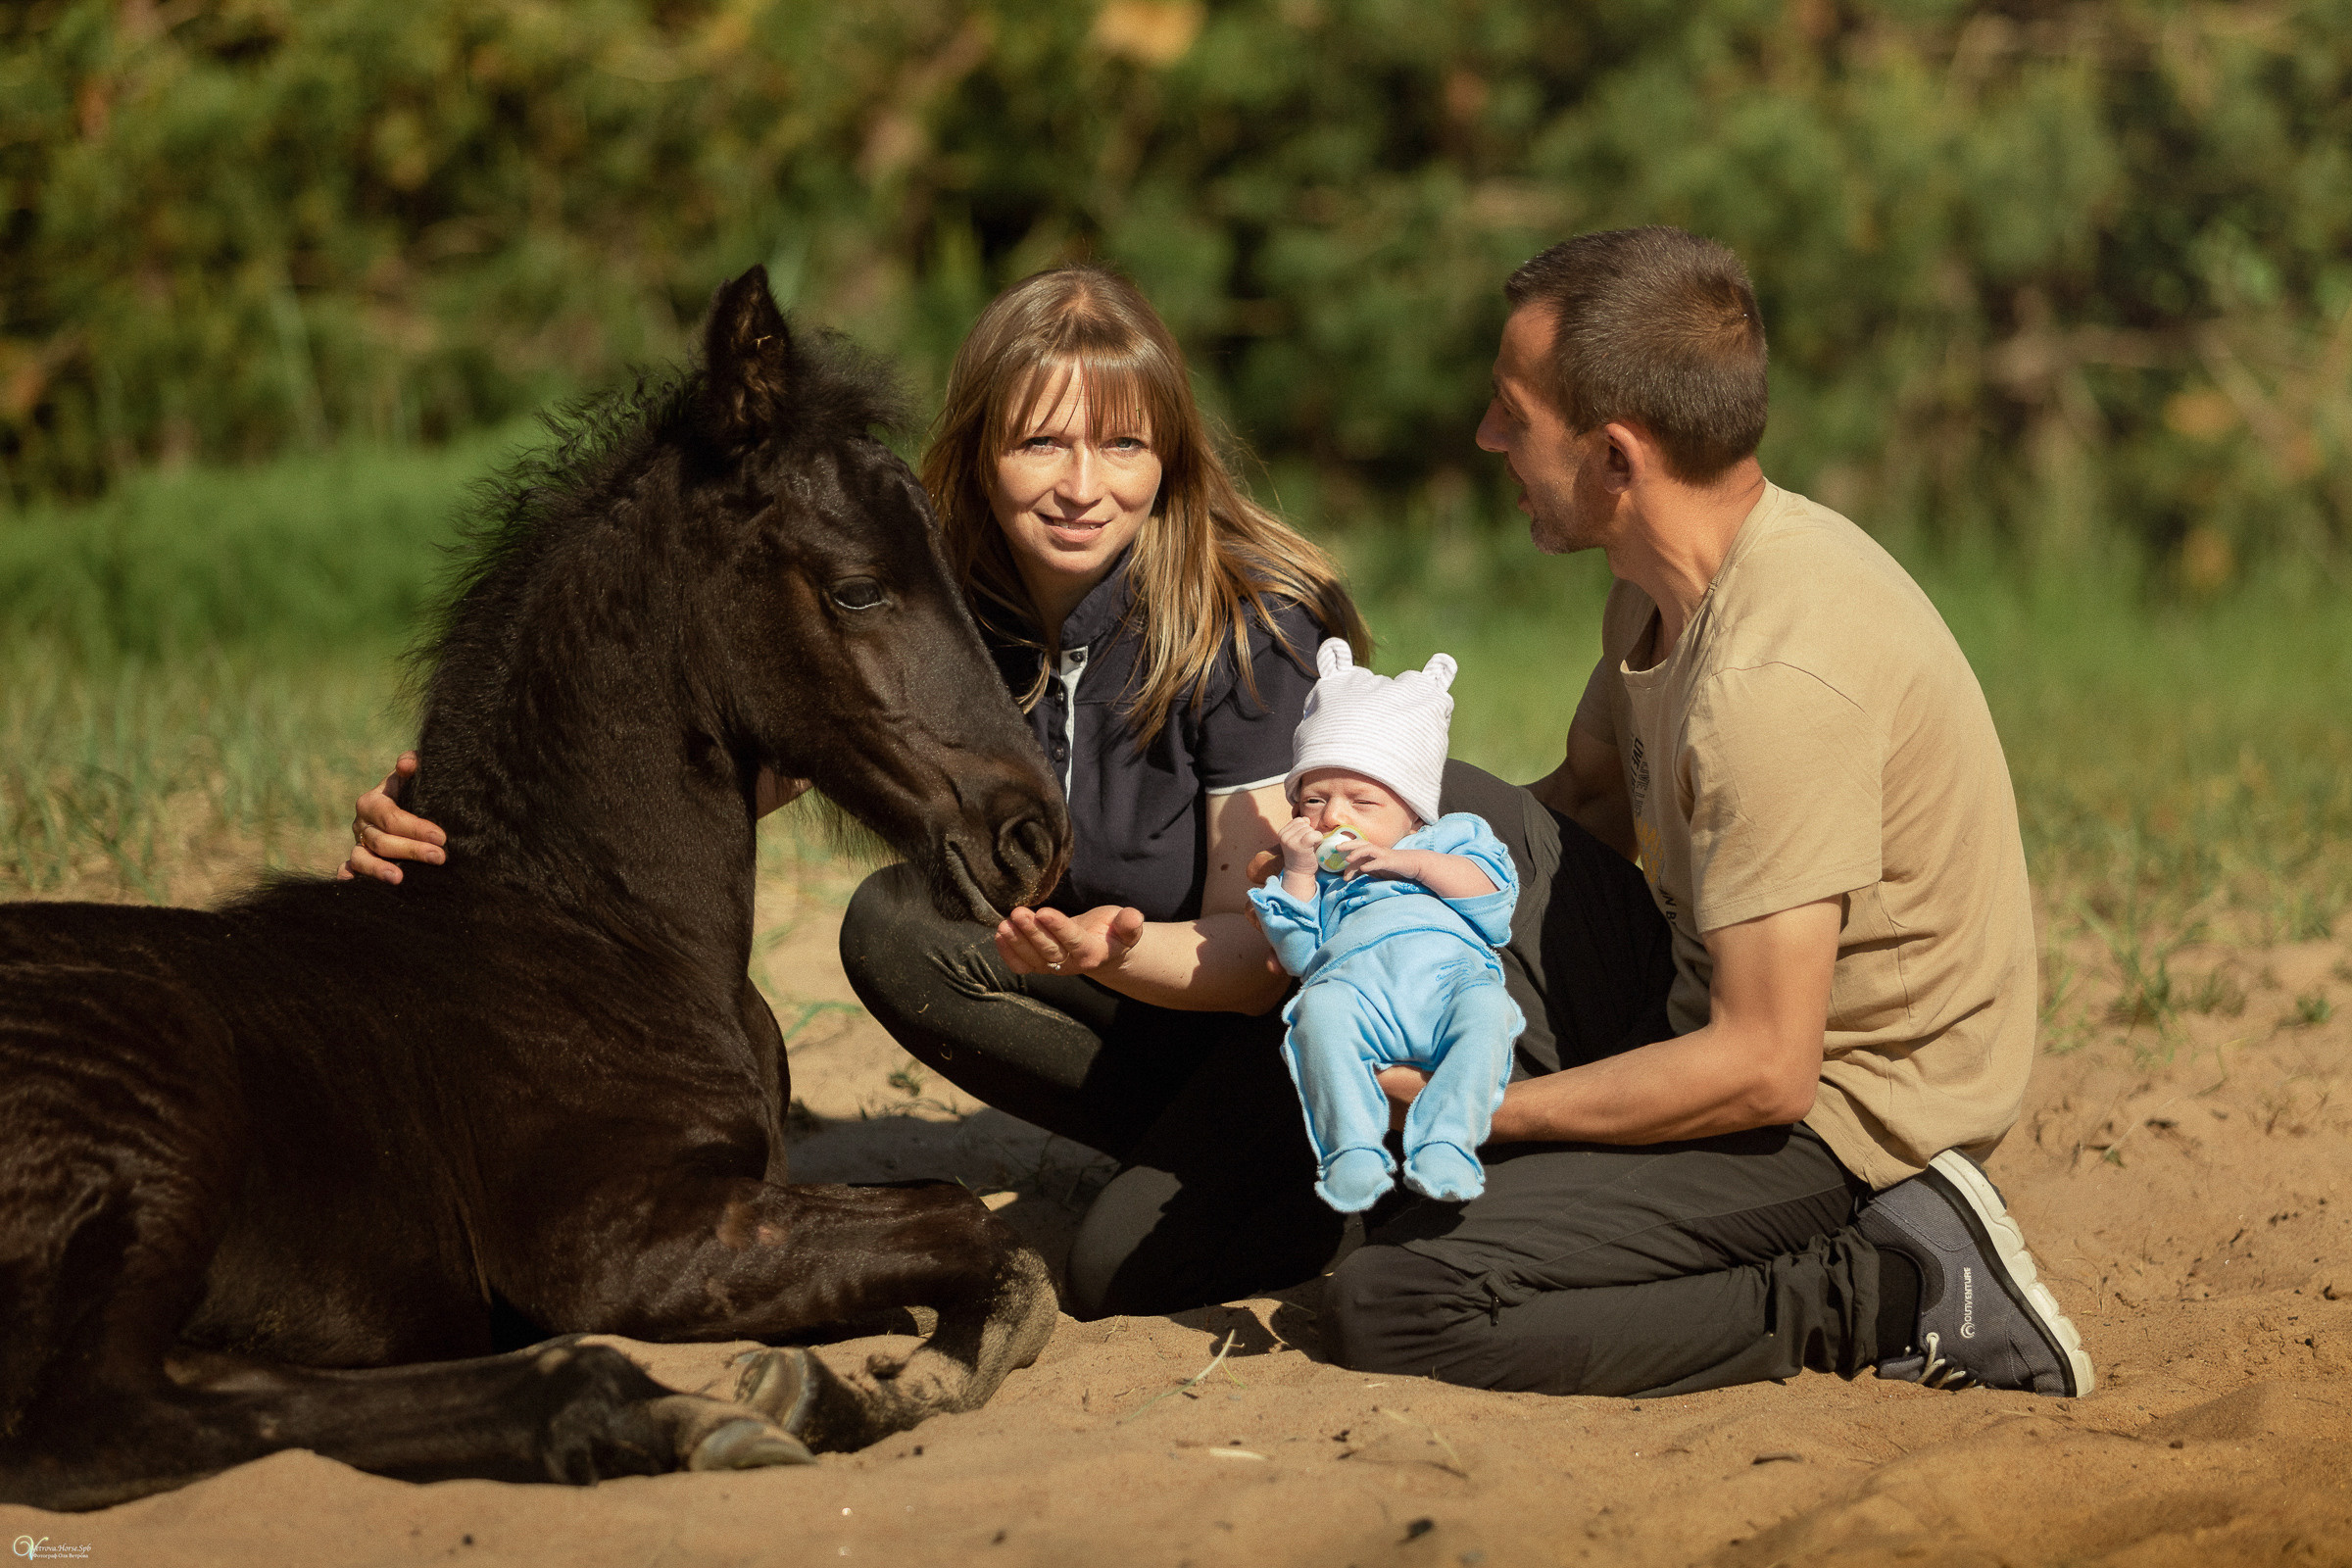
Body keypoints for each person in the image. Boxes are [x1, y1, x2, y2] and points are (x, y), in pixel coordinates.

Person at [344, 264, 1381, 1318]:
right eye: (1040, 442)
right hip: (1139, 1014)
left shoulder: (1253, 629)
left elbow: (1262, 958)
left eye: (1122, 444)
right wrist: (452, 831)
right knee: (896, 926)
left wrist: (1116, 950)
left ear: (1170, 453)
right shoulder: (937, 603)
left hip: (1275, 1034)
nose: (1082, 484)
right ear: (980, 450)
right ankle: (1177, 1153)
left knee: (1119, 1269)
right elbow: (678, 790)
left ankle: (1314, 1165)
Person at [1320, 225, 2092, 1399]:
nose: (1487, 439)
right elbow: (1573, 804)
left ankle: (1883, 1287)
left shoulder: (1769, 683)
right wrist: (1357, 869)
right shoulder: (1658, 588)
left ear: (1616, 455)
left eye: (1511, 414)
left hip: (1843, 1117)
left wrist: (1487, 1107)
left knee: (1401, 1293)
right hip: (1709, 995)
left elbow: (1766, 1068)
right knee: (1441, 812)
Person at [1248, 640, 1521, 1213]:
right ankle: (1350, 1149)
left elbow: (1496, 901)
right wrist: (1297, 874)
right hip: (1357, 991)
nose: (1334, 817)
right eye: (1314, 799)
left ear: (1414, 809)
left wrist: (1411, 863)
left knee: (1491, 1016)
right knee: (1317, 1013)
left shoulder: (1447, 840)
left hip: (1449, 986)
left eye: (1362, 800)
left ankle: (1447, 1140)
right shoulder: (1314, 876)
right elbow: (1300, 957)